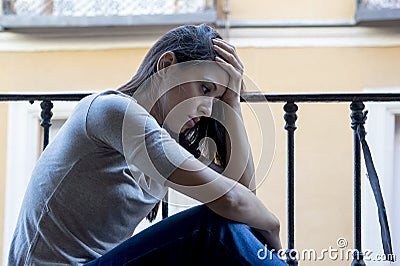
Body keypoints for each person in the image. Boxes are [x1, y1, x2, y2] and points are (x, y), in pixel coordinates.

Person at [8, 24, 287, 265]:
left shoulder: (167, 142)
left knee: (226, 227)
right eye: (204, 89)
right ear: (166, 67)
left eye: (215, 101)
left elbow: (244, 196)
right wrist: (273, 230)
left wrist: (232, 101)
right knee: (211, 228)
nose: (206, 108)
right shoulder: (112, 111)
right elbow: (233, 202)